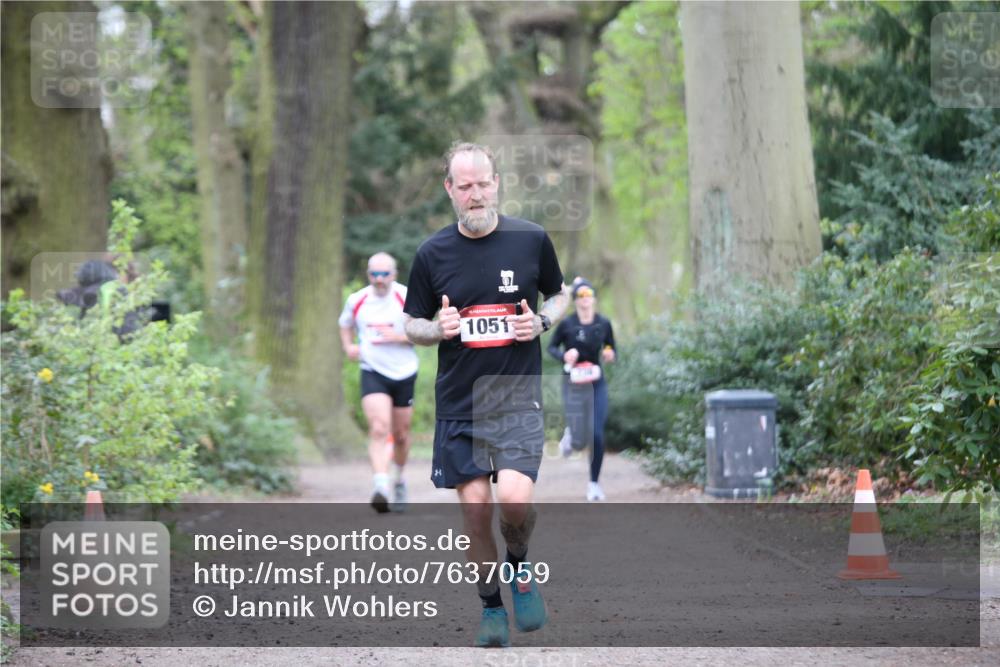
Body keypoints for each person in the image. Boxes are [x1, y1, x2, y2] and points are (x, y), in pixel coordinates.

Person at [403, 142, 570, 648]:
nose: (475, 194)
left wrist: (541, 322)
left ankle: (519, 563)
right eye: (465, 186)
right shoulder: (432, 253)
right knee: (476, 512)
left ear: (496, 183)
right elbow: (411, 323)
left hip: (517, 396)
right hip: (461, 403)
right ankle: (492, 606)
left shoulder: (531, 239)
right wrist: (437, 328)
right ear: (450, 190)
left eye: (482, 184)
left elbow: (560, 293)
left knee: (514, 501)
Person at [339, 252, 419, 514]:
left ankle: (399, 479)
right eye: (374, 274)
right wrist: (348, 346)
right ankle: (381, 486)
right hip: (372, 369)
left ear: (394, 274)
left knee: (401, 435)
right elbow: (345, 324)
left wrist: (399, 337)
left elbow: (425, 332)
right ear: (368, 275)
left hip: (404, 371)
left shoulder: (406, 297)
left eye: (385, 274)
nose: (379, 279)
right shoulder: (357, 299)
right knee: (378, 427)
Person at [547, 278, 617, 501]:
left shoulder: (603, 324)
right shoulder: (567, 324)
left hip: (596, 384)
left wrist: (609, 353)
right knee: (579, 441)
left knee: (596, 433)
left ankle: (594, 484)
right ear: (575, 300)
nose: (585, 299)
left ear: (594, 298)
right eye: (580, 295)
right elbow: (551, 347)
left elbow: (610, 345)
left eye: (588, 294)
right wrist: (564, 356)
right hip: (573, 385)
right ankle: (572, 436)